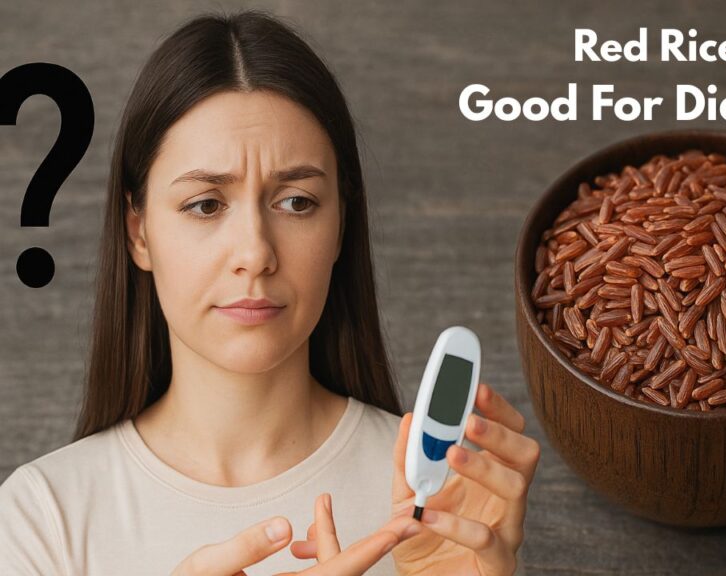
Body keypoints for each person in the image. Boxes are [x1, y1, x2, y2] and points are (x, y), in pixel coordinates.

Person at [0, 10, 540, 576]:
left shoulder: (449, 508)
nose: (255, 252)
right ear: (139, 231)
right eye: (206, 204)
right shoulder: (44, 519)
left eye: (296, 202)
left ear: (340, 226)